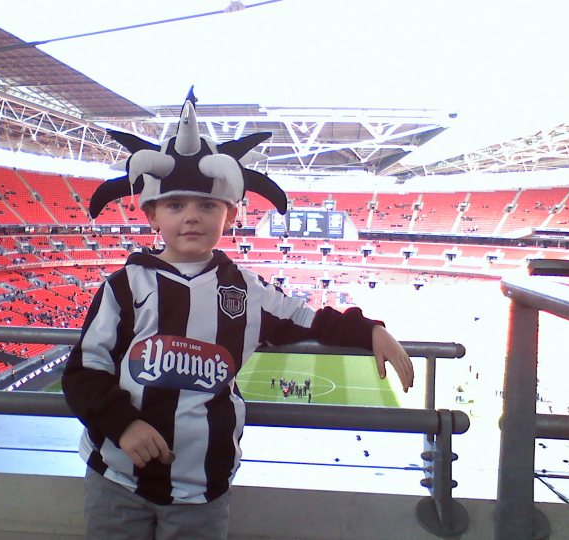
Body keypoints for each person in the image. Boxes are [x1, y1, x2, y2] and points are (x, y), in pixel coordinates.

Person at [62, 90, 414, 540]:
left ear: (229, 214)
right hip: (117, 479)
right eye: (175, 205)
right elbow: (84, 373)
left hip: (202, 489)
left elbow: (308, 320)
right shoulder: (123, 287)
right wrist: (123, 423)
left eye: (208, 205)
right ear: (151, 215)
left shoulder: (247, 291)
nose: (192, 217)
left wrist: (369, 331)